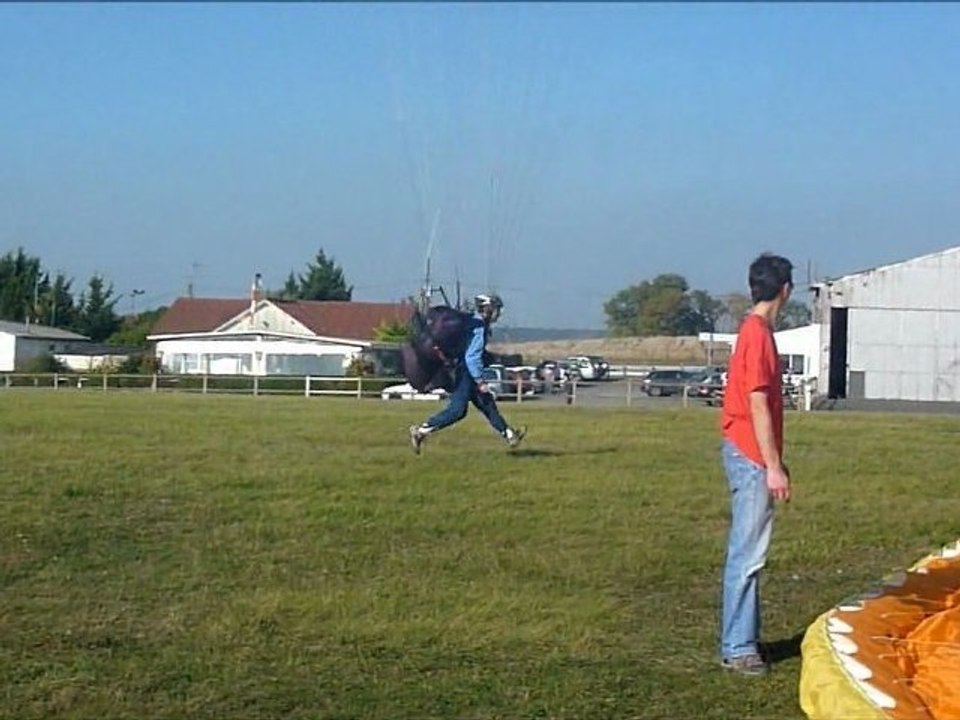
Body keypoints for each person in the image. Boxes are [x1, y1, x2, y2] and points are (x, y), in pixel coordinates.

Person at [719, 253, 794, 677]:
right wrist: (773, 465)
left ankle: (743, 634)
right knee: (747, 555)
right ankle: (737, 646)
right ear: (785, 291)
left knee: (750, 553)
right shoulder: (759, 335)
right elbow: (758, 403)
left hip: (746, 450)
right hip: (749, 454)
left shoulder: (751, 331)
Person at [408, 293, 526, 454]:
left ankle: (510, 435)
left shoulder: (470, 322)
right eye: (497, 309)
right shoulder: (479, 328)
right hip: (466, 373)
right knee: (458, 410)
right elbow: (472, 357)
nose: (499, 313)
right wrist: (480, 381)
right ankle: (421, 431)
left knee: (487, 405)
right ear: (488, 309)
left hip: (464, 371)